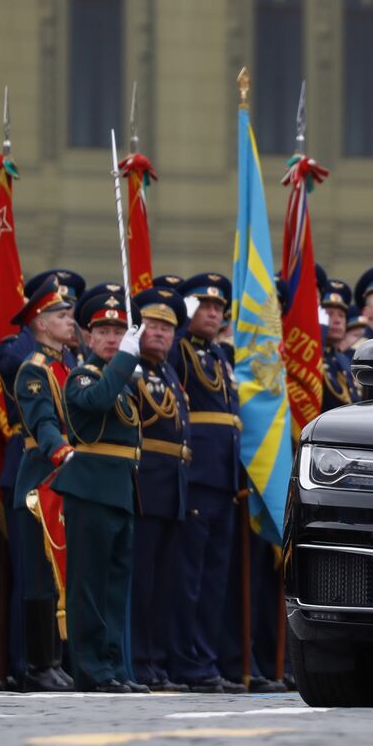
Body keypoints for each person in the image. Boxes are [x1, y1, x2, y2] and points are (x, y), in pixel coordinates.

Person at [54, 285, 145, 693]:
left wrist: (124, 367)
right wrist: (125, 359)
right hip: (90, 490)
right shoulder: (82, 376)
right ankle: (91, 670)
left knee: (114, 589)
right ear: (87, 338)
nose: (111, 337)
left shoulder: (121, 381)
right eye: (103, 331)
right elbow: (98, 400)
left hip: (120, 491)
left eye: (119, 330)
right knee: (88, 588)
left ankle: (115, 666)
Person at [168, 273, 246, 694]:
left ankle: (206, 658)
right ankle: (185, 659)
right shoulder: (180, 349)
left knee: (214, 581)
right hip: (196, 477)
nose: (214, 314)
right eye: (205, 307)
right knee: (189, 578)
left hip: (223, 481)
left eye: (219, 309)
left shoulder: (220, 356)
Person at [10, 277, 78, 692]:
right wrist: (64, 454)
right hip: (40, 484)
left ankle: (55, 661)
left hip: (65, 486)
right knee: (38, 578)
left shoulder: (69, 367)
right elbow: (43, 423)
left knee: (60, 580)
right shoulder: (34, 372)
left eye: (70, 315)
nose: (70, 322)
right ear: (39, 323)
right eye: (61, 315)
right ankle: (38, 665)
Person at [128, 287, 191, 691]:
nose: (160, 333)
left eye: (167, 327)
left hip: (172, 489)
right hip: (143, 486)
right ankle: (136, 660)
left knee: (163, 585)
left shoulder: (168, 373)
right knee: (140, 583)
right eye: (152, 324)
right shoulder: (130, 368)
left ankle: (154, 661)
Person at [320, 281, 355, 413]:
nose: (337, 320)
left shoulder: (344, 360)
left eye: (341, 315)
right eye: (329, 314)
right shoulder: (312, 356)